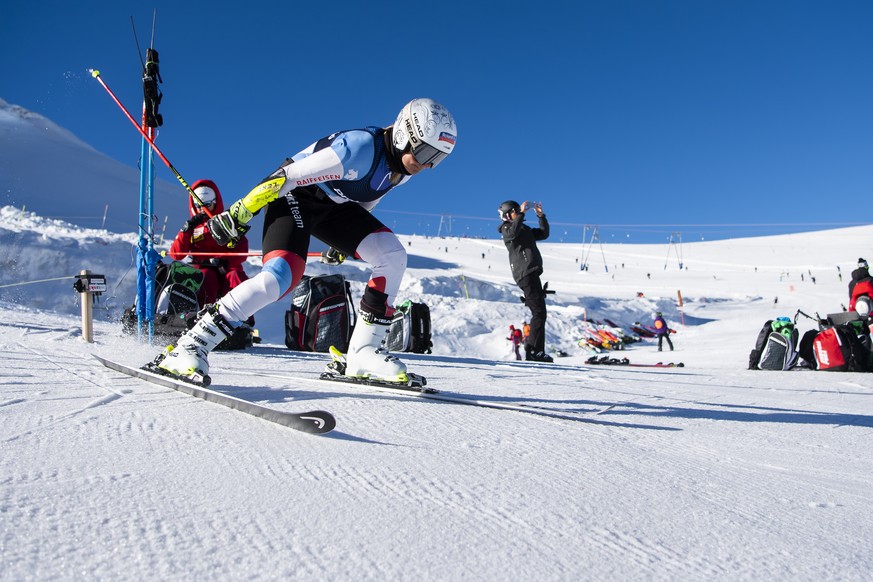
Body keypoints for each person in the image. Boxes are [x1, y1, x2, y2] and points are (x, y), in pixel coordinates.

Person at [151, 98, 457, 385]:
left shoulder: (401, 169)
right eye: (427, 154)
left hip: (334, 208)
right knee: (280, 277)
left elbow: (367, 198)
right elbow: (286, 176)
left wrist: (344, 241)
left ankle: (363, 353)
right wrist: (239, 212)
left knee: (391, 255)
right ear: (406, 135)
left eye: (438, 159)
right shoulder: (360, 148)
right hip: (294, 196)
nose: (429, 165)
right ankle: (189, 346)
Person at [167, 180, 251, 309]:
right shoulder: (193, 228)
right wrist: (186, 229)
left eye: (207, 204)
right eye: (198, 205)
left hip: (227, 268)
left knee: (235, 278)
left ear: (215, 202)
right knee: (206, 276)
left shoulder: (227, 221)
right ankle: (202, 314)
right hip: (203, 268)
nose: (202, 209)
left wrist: (225, 261)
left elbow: (242, 248)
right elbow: (176, 254)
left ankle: (242, 319)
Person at [498, 200, 552, 362]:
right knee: (539, 313)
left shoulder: (524, 229)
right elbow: (513, 233)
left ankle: (534, 351)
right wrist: (520, 215)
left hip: (533, 273)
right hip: (525, 273)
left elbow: (543, 234)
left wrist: (540, 216)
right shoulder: (506, 229)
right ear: (508, 215)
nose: (519, 213)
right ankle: (534, 351)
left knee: (540, 313)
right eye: (515, 211)